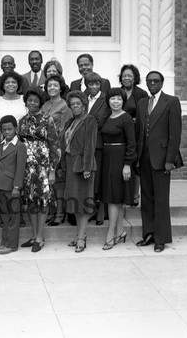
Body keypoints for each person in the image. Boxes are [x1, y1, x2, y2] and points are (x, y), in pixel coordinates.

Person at [135, 71, 182, 253]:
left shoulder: (171, 101)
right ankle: (149, 234)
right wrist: (136, 159)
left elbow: (175, 133)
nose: (152, 83)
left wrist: (170, 160)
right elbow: (140, 131)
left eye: (156, 81)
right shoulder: (141, 103)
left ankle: (161, 238)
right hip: (144, 158)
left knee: (161, 200)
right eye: (149, 81)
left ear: (162, 83)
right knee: (146, 199)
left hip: (162, 159)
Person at [18, 88, 60, 252]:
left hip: (42, 166)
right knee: (30, 201)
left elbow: (55, 145)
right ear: (26, 102)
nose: (32, 103)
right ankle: (34, 235)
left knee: (42, 201)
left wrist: (52, 170)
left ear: (40, 103)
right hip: (26, 166)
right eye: (30, 100)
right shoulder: (22, 121)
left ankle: (40, 237)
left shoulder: (47, 119)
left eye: (36, 101)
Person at [0, 71, 28, 227]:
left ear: (18, 84)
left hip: (21, 143)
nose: (11, 85)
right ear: (2, 85)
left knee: (19, 178)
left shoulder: (24, 100)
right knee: (3, 182)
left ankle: (19, 216)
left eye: (14, 82)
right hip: (2, 144)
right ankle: (5, 216)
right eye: (7, 82)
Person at [60, 91, 98, 252]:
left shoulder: (89, 120)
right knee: (75, 202)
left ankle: (82, 237)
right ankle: (78, 235)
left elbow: (90, 144)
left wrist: (87, 167)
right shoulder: (70, 121)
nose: (75, 106)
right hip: (70, 164)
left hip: (83, 166)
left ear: (84, 105)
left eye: (78, 104)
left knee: (83, 202)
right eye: (72, 104)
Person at [100, 88, 136, 250]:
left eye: (119, 99)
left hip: (120, 160)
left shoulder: (126, 118)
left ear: (123, 101)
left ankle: (111, 233)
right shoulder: (108, 117)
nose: (115, 102)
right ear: (108, 101)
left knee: (114, 197)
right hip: (108, 159)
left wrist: (127, 164)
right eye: (113, 99)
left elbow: (132, 143)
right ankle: (120, 231)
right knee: (115, 196)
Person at [41, 74, 72, 226]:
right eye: (49, 86)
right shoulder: (44, 105)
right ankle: (52, 211)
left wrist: (56, 149)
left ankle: (60, 212)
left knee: (58, 181)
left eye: (55, 85)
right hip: (43, 148)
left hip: (58, 147)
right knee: (48, 182)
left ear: (61, 88)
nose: (52, 88)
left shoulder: (64, 106)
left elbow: (65, 130)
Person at [0, 115, 27, 255]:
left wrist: (16, 187)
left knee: (14, 217)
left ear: (16, 129)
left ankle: (12, 244)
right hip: (1, 186)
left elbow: (20, 168)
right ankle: (4, 242)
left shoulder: (19, 146)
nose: (7, 132)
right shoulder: (1, 144)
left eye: (10, 129)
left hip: (12, 187)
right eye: (4, 129)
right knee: (5, 216)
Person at [119, 64, 148, 206]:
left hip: (136, 134)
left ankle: (135, 196)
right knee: (122, 164)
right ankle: (123, 195)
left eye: (129, 75)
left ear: (135, 77)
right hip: (119, 133)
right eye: (124, 75)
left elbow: (145, 115)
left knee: (134, 164)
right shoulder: (117, 93)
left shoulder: (141, 94)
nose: (126, 78)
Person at [85, 72, 111, 225]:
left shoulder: (105, 99)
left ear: (100, 84)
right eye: (91, 84)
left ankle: (100, 210)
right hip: (84, 143)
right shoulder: (84, 98)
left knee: (99, 177)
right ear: (87, 85)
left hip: (99, 144)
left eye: (96, 84)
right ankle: (90, 208)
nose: (94, 87)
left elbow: (101, 121)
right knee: (88, 177)